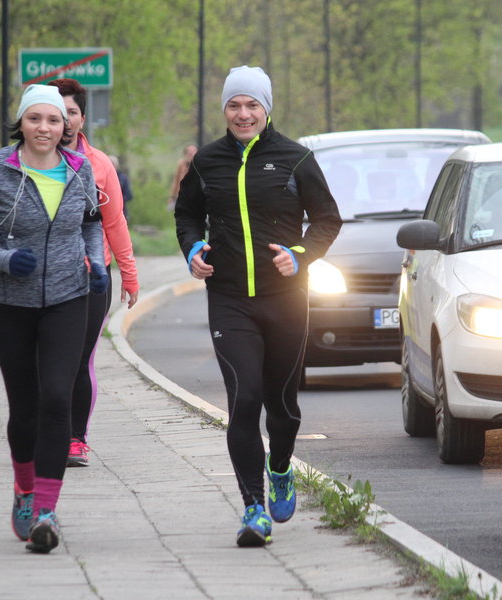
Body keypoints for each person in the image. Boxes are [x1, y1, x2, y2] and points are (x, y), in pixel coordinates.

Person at [174, 65, 341, 547]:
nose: (242, 114)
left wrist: (300, 255)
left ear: (267, 109)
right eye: (234, 105)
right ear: (224, 110)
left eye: (251, 105)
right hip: (229, 299)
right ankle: (253, 509)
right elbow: (186, 215)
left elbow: (327, 220)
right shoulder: (207, 162)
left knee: (283, 408)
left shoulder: (296, 158)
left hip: (286, 299)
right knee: (244, 400)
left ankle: (281, 467)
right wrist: (192, 250)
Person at [0, 84, 106, 554]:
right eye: (35, 119)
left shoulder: (80, 169)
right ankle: (23, 488)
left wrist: (96, 263)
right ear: (21, 122)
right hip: (9, 301)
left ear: (66, 127)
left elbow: (91, 223)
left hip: (67, 296)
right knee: (25, 407)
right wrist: (2, 259)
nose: (45, 128)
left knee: (58, 397)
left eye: (54, 120)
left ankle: (45, 510)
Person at [46, 78, 139, 469]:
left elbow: (113, 221)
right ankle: (47, 432)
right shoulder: (23, 160)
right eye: (56, 113)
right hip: (42, 278)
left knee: (79, 360)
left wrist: (129, 275)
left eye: (70, 113)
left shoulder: (98, 165)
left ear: (82, 119)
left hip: (90, 277)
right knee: (46, 362)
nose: (63, 121)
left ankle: (75, 438)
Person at [168, 143, 197, 211]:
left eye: (194, 152)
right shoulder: (181, 164)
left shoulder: (200, 164)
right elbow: (176, 180)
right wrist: (172, 196)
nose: (192, 154)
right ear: (185, 154)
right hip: (182, 196)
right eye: (189, 153)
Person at [108, 154, 133, 221]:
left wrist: (116, 200)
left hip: (120, 211)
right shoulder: (103, 177)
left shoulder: (123, 178)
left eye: (113, 163)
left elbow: (129, 195)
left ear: (117, 165)